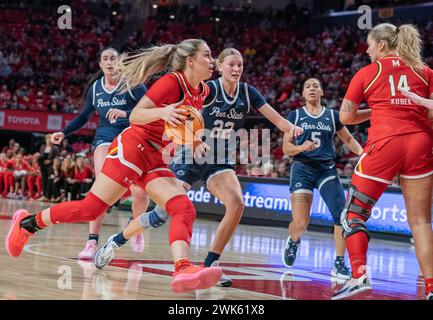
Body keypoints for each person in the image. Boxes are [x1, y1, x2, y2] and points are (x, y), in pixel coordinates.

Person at [5, 39, 222, 293]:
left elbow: (181, 126)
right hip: (132, 149)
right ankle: (27, 224)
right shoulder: (171, 82)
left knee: (183, 207)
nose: (212, 60)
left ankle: (183, 268)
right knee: (91, 209)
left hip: (155, 158)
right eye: (207, 55)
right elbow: (136, 116)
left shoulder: (203, 91)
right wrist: (162, 113)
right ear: (190, 61)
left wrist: (194, 140)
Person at [93, 47, 303, 287]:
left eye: (240, 65)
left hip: (219, 159)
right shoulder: (207, 89)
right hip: (191, 154)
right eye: (231, 65)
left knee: (236, 204)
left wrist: (291, 129)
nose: (236, 69)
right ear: (220, 67)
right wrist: (132, 114)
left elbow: (275, 118)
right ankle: (117, 241)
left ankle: (211, 263)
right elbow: (164, 108)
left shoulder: (248, 92)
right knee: (162, 214)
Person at [332, 23, 433, 300]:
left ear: (382, 46)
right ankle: (432, 288)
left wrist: (378, 109)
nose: (366, 49)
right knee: (421, 222)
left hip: (384, 144)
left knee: (352, 215)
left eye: (369, 44)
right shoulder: (425, 72)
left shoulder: (368, 72)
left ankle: (359, 275)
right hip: (421, 144)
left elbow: (345, 117)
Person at [50, 48, 149, 258]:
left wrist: (126, 113)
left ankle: (136, 226)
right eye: (105, 58)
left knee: (140, 192)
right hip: (105, 138)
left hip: (131, 137)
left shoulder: (132, 84)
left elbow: (150, 110)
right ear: (100, 65)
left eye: (113, 58)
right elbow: (84, 116)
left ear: (119, 62)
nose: (110, 62)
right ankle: (91, 242)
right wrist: (64, 132)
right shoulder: (96, 88)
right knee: (100, 189)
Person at [281, 78, 363, 280]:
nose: (311, 88)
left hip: (326, 170)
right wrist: (301, 147)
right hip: (302, 169)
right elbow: (286, 148)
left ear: (322, 92)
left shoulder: (332, 116)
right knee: (300, 223)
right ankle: (293, 240)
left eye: (315, 86)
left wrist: (363, 154)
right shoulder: (295, 115)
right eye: (307, 86)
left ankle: (338, 263)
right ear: (302, 93)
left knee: (340, 215)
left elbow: (349, 140)